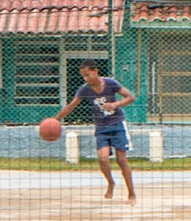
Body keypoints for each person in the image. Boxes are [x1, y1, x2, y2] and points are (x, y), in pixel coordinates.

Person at [54, 61, 137, 201]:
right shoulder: (84, 89)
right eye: (83, 76)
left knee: (121, 159)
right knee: (103, 158)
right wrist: (56, 119)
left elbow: (130, 97)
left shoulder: (110, 83)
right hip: (101, 126)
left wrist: (115, 104)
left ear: (95, 71)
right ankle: (111, 183)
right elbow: (71, 106)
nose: (86, 78)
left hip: (117, 124)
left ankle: (131, 193)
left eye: (88, 75)